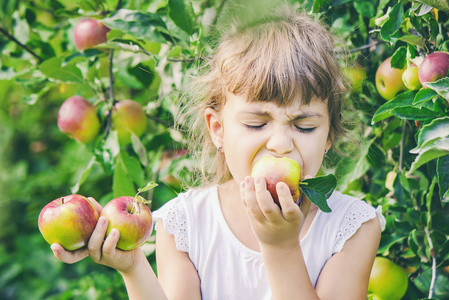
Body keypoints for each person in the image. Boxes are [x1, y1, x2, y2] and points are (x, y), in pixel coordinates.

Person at [51, 3, 385, 299]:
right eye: (257, 124)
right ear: (218, 129)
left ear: (328, 135)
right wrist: (133, 266)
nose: (281, 144)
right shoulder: (186, 224)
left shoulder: (351, 228)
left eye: (305, 126)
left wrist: (280, 246)